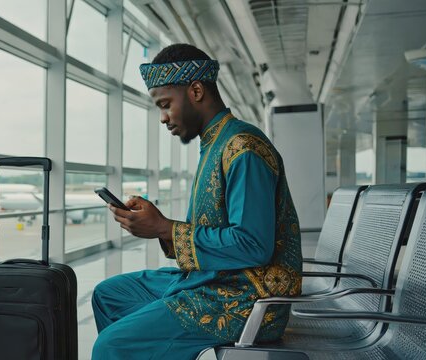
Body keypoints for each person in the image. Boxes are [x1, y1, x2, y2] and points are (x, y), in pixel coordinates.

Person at [91, 43, 303, 359]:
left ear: (195, 90)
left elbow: (253, 245)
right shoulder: (214, 143)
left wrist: (165, 228)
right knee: (110, 295)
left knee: (112, 345)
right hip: (214, 278)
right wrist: (160, 227)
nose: (163, 118)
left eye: (165, 104)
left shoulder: (242, 148)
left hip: (246, 296)